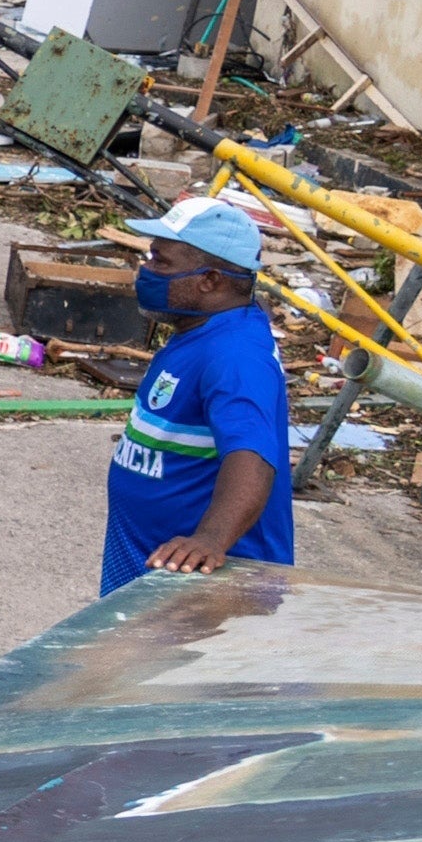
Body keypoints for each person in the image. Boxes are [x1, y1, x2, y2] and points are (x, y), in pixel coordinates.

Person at [102, 195, 295, 593]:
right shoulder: (203, 330)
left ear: (211, 280)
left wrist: (210, 539)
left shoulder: (235, 357)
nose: (146, 271)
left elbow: (253, 457)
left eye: (161, 262)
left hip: (198, 597)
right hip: (153, 577)